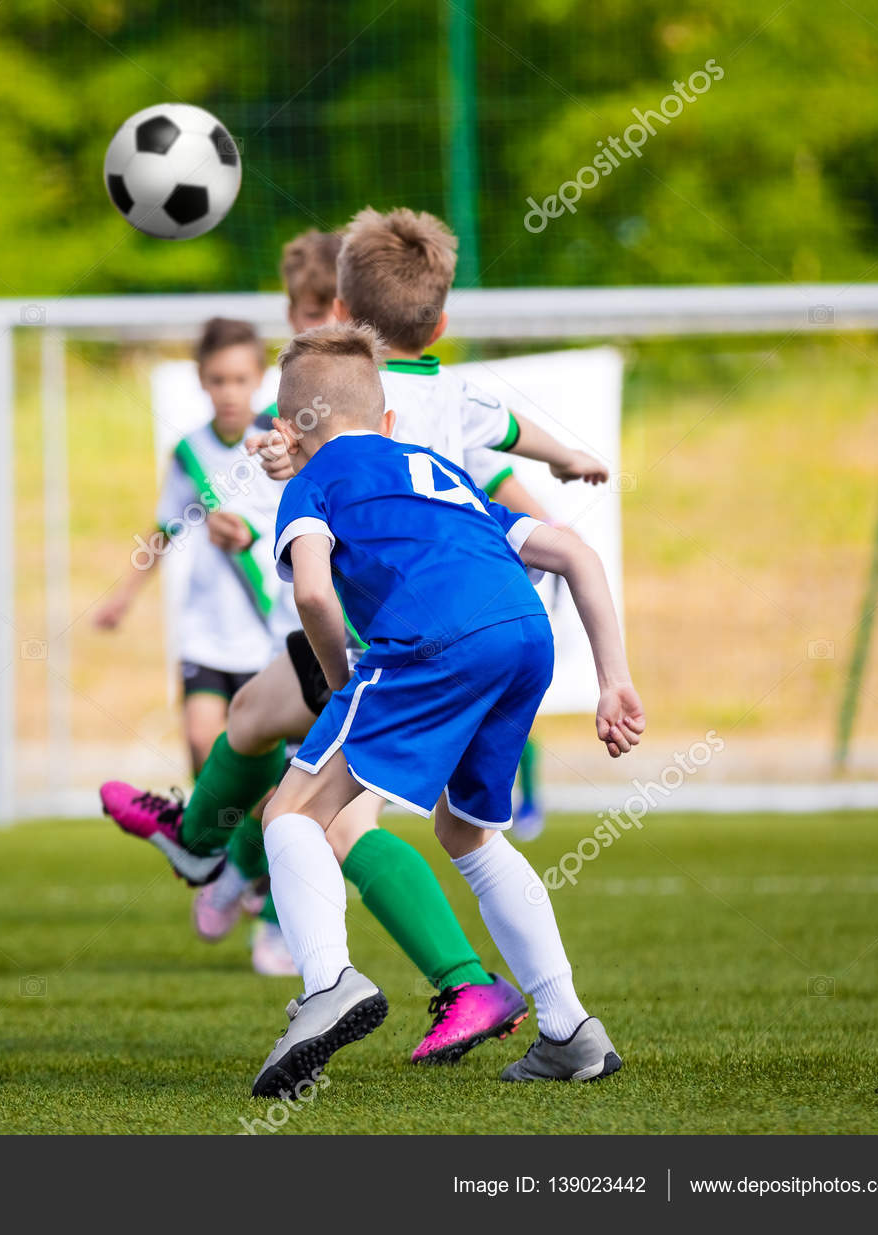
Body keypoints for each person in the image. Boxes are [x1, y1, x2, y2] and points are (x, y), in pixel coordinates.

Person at [104, 208, 606, 1061]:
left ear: (340, 317)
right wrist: (570, 461)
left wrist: (281, 459)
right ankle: (560, 1020)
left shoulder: (334, 425)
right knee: (423, 811)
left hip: (398, 636)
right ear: (439, 323)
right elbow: (516, 447)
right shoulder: (453, 403)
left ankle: (324, 958)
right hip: (506, 617)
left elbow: (307, 546)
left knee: (304, 804)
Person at [246, 322, 642, 1096]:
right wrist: (613, 678)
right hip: (526, 636)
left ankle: (328, 981)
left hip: (435, 640)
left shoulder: (312, 483)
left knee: (289, 810)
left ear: (293, 433)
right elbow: (573, 554)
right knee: (466, 829)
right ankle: (566, 1028)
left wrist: (338, 684)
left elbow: (314, 590)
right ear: (387, 420)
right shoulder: (438, 469)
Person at [92, 317, 303, 973]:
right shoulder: (188, 452)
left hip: (269, 631)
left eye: (242, 378)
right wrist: (122, 595)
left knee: (272, 787)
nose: (231, 391)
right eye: (218, 379)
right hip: (207, 634)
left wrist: (250, 540)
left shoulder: (283, 442)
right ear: (201, 381)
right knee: (207, 756)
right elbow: (162, 527)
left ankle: (265, 905)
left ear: (259, 377)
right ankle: (233, 864)